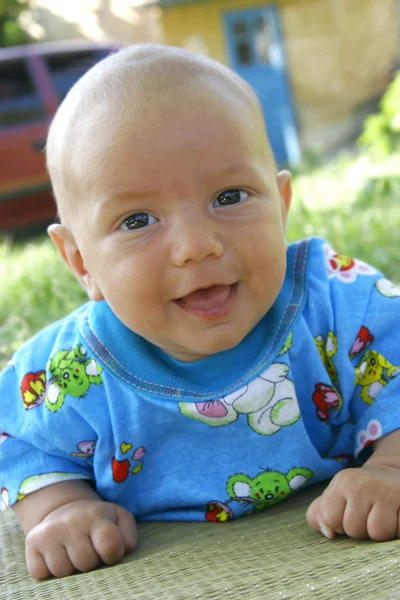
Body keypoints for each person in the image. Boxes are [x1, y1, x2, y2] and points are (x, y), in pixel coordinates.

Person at [1, 44, 400, 580]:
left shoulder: (335, 303)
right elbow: (21, 442)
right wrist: (60, 509)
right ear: (80, 262)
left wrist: (391, 468)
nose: (196, 245)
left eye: (230, 196)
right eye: (138, 220)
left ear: (281, 207)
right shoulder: (66, 374)